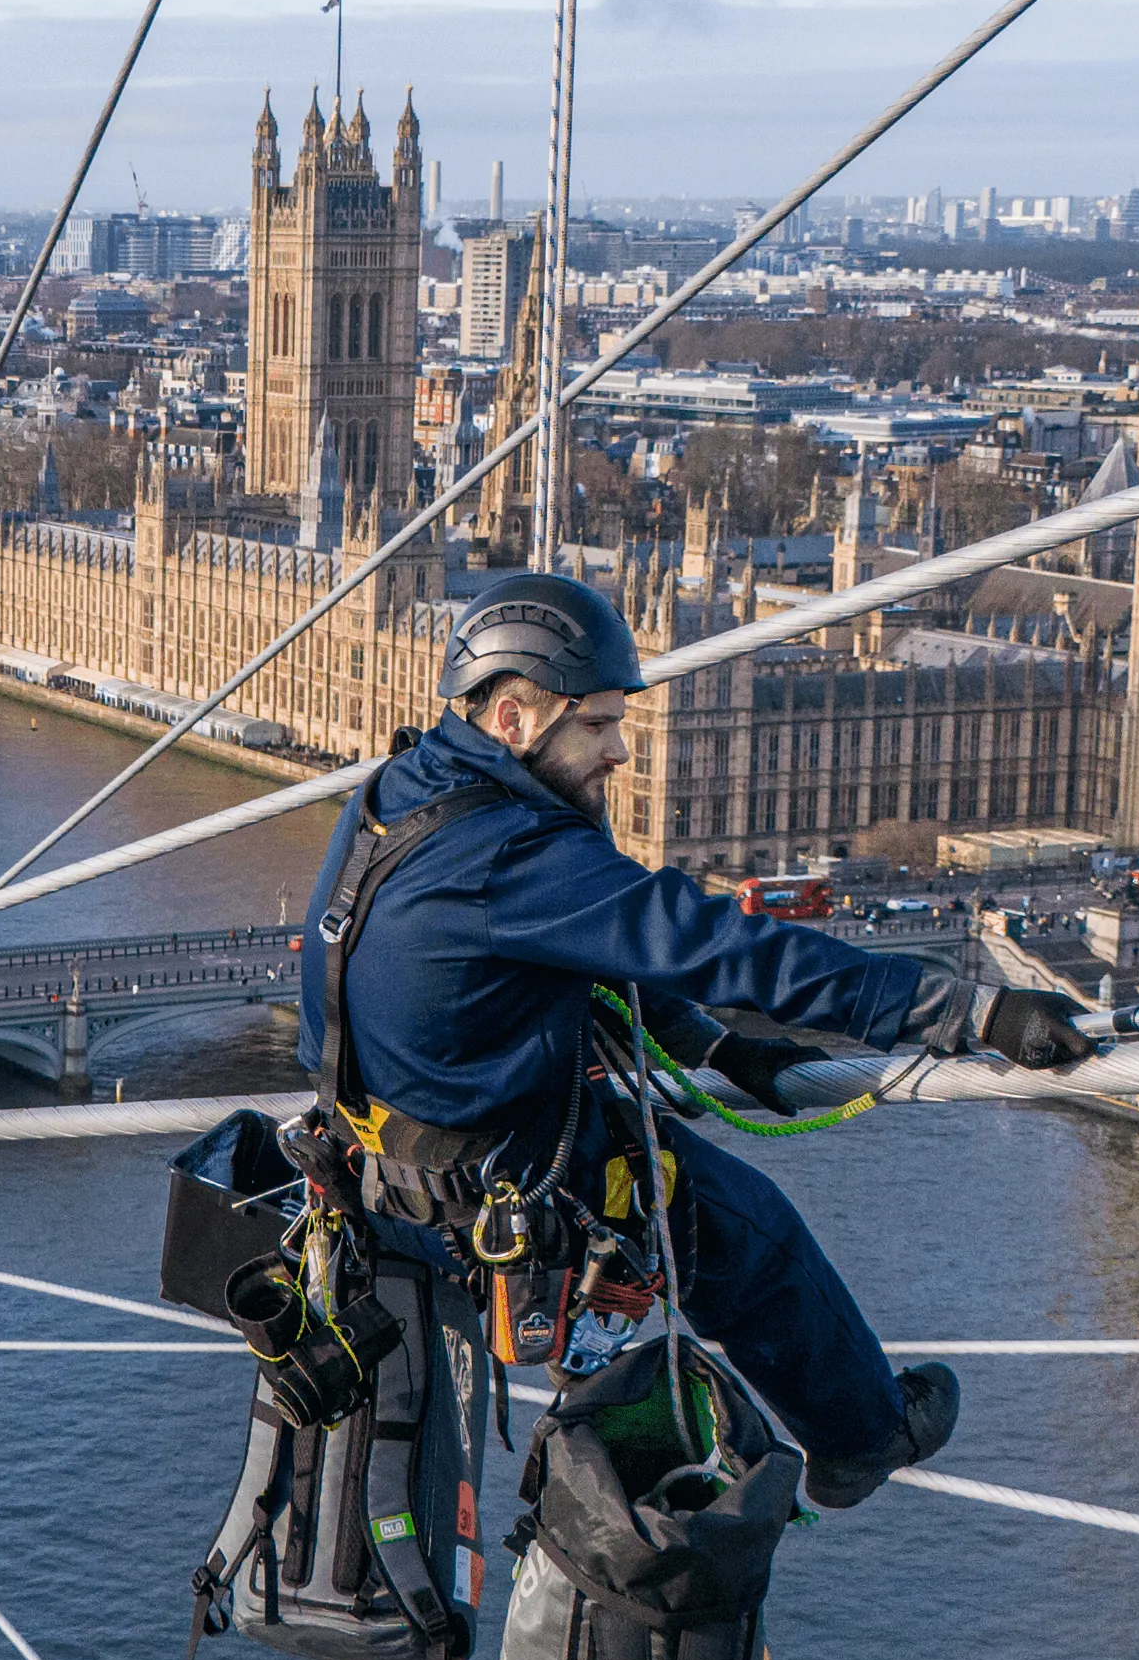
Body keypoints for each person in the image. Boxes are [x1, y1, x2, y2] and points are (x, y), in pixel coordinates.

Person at [294, 572, 1097, 1501]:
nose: (622, 751)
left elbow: (585, 946)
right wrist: (966, 1013)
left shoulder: (404, 782)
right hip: (491, 1170)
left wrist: (718, 1048)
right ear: (513, 718)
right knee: (752, 1233)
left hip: (379, 1146)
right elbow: (720, 943)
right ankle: (863, 1439)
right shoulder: (519, 853)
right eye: (596, 725)